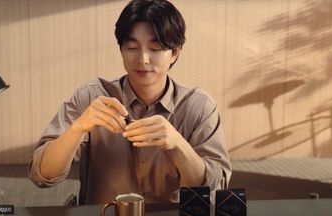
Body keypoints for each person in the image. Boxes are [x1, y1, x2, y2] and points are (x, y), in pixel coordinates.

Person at [29, 0, 231, 205]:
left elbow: (214, 188)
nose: (143, 59)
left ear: (175, 53)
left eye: (155, 48)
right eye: (132, 47)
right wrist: (78, 128)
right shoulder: (91, 97)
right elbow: (41, 175)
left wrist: (178, 144)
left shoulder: (199, 106)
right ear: (121, 49)